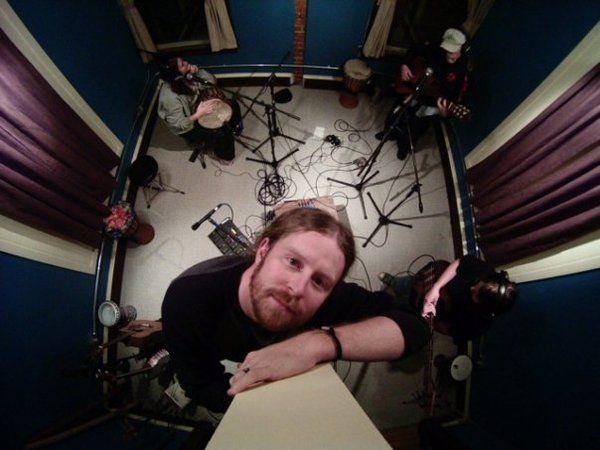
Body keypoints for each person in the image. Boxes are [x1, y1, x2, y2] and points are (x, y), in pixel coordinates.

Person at [161, 208, 429, 413]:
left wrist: (319, 343)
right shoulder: (187, 299)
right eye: (293, 262)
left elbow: (415, 325)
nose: (298, 289)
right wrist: (264, 399)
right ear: (263, 251)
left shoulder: (328, 297)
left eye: (319, 281)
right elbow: (200, 385)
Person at [377, 28, 471, 160]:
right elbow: (415, 49)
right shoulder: (436, 48)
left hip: (435, 101)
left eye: (453, 51)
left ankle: (404, 146)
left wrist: (445, 113)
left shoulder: (462, 71)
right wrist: (404, 65)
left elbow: (457, 97)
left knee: (417, 126)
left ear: (463, 48)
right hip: (415, 88)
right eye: (447, 50)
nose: (449, 54)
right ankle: (389, 133)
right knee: (398, 112)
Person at [381, 255, 517, 342]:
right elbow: (459, 263)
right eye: (477, 283)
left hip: (437, 311)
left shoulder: (478, 326)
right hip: (434, 282)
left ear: (484, 308)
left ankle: (386, 304)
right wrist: (436, 287)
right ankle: (394, 283)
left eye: (475, 295)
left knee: (395, 307)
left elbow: (448, 330)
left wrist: (428, 320)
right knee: (408, 283)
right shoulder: (485, 270)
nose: (472, 288)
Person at [157, 56, 242, 163]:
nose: (186, 62)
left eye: (183, 61)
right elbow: (179, 124)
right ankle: (225, 155)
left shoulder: (188, 76)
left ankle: (234, 129)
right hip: (187, 126)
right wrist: (198, 114)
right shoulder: (169, 98)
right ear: (176, 74)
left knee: (233, 105)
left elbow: (212, 82)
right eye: (182, 64)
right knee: (221, 134)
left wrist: (198, 72)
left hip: (197, 107)